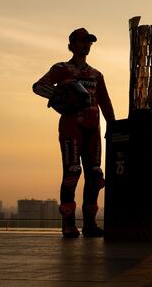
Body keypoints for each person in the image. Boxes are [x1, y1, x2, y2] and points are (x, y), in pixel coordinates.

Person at [33, 28, 115, 238]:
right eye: (82, 41)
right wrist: (61, 94)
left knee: (95, 175)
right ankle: (68, 224)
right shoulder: (61, 68)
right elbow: (38, 86)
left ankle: (90, 225)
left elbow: (105, 102)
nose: (86, 45)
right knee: (72, 172)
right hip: (71, 128)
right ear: (72, 44)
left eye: (89, 42)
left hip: (94, 129)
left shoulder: (97, 74)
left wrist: (113, 127)